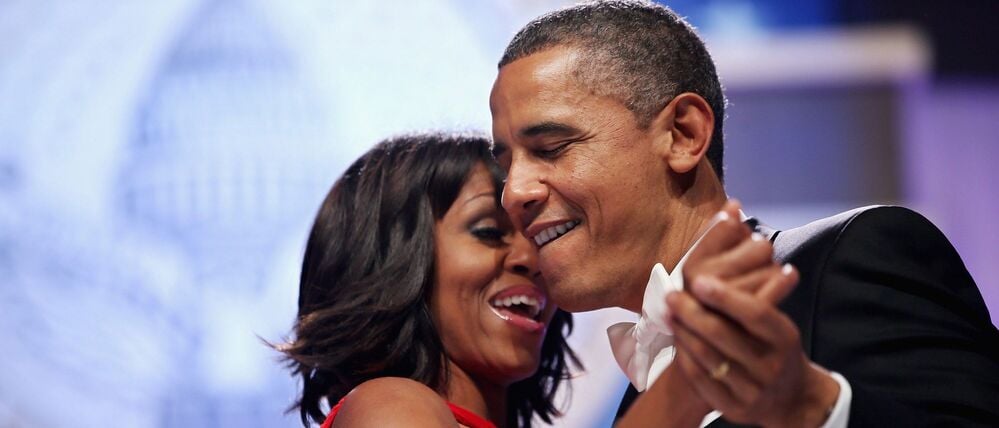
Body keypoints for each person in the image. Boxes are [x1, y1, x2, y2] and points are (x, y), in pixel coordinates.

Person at [489, 1, 999, 427]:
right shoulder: (642, 398)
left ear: (684, 134)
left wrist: (813, 406)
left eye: (552, 147)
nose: (514, 192)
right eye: (507, 164)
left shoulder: (849, 258)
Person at [277, 132, 579, 427]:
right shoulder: (390, 407)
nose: (531, 259)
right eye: (489, 232)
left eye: (540, 237)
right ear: (393, 263)